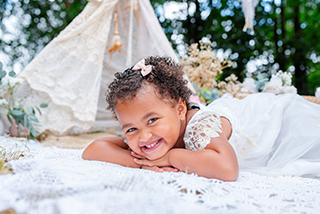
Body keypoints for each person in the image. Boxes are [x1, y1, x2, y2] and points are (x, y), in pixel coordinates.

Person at [82, 56, 320, 181]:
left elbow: (227, 169)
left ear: (179, 110)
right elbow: (93, 149)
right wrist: (146, 162)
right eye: (131, 129)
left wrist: (171, 157)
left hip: (279, 126)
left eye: (152, 120)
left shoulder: (199, 127)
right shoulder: (150, 137)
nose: (143, 135)